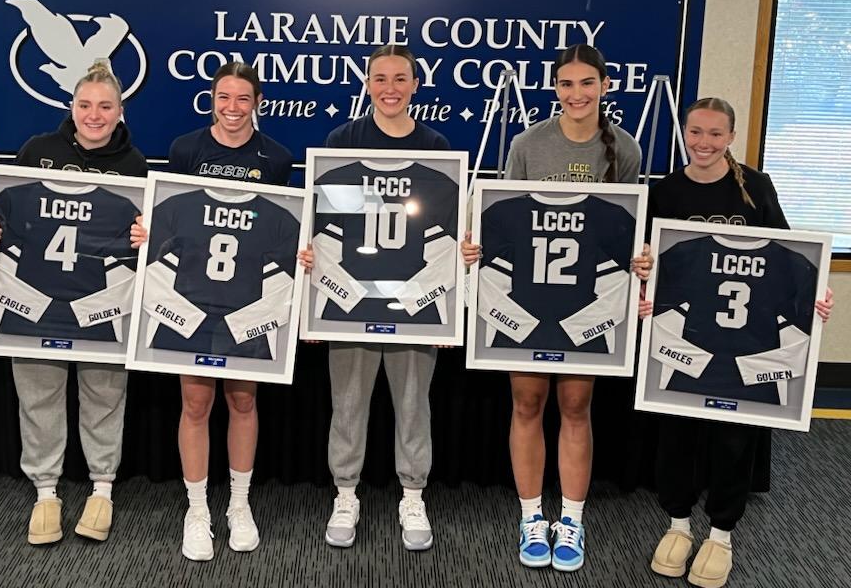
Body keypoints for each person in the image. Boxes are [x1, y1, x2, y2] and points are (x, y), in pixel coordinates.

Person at [461, 43, 651, 572]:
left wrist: (638, 259)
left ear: (605, 87)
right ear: (555, 88)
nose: (576, 94)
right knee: (526, 403)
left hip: (585, 302)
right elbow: (503, 220)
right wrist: (478, 248)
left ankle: (571, 519)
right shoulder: (527, 144)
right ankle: (530, 516)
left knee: (575, 406)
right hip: (526, 295)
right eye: (566, 84)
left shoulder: (626, 149)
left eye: (587, 83)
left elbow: (624, 229)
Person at [645, 96, 833, 588]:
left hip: (748, 341)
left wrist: (816, 296)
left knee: (734, 441)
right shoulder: (666, 191)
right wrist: (645, 288)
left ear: (731, 137)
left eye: (715, 133)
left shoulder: (756, 187)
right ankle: (678, 525)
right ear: (684, 133)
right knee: (678, 437)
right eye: (695, 131)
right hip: (688, 342)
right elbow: (651, 265)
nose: (703, 142)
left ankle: (722, 535)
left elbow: (790, 256)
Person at [298, 44, 450, 552]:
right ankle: (346, 494)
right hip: (352, 301)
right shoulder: (342, 142)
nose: (390, 88)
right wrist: (319, 303)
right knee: (347, 403)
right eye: (380, 78)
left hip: (413, 302)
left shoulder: (434, 147)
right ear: (367, 84)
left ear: (415, 85)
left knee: (413, 404)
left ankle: (413, 495)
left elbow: (444, 232)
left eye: (400, 78)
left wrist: (446, 309)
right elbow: (326, 230)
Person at [9, 61, 147, 547]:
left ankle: (102, 489)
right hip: (37, 299)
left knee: (104, 397)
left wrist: (143, 238)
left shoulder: (134, 164)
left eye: (105, 106)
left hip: (101, 304)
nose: (94, 115)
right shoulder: (37, 151)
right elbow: (9, 216)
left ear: (120, 110)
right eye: (85, 104)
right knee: (38, 397)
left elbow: (138, 239)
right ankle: (46, 492)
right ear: (71, 107)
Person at [167, 61, 293, 561]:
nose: (233, 107)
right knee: (195, 404)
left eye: (243, 98)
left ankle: (239, 505)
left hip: (247, 302)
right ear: (212, 100)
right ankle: (197, 510)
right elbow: (172, 222)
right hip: (194, 298)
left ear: (257, 103)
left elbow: (282, 232)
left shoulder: (276, 157)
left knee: (242, 402)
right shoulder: (186, 149)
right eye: (224, 97)